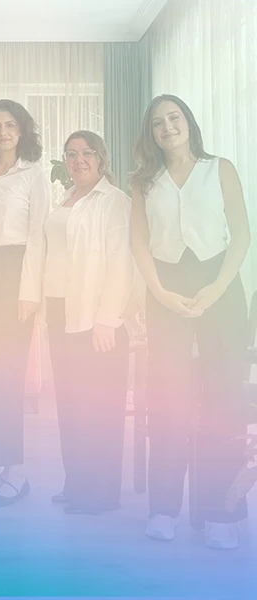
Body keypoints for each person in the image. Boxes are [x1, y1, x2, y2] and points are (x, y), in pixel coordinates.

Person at [130, 94, 251, 549]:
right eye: (157, 122)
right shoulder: (144, 182)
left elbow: (242, 236)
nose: (167, 127)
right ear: (151, 133)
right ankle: (163, 508)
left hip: (220, 286)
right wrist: (159, 292)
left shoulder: (220, 169)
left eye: (173, 118)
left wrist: (216, 289)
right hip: (165, 288)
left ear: (188, 122)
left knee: (225, 399)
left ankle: (223, 512)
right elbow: (139, 243)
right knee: (167, 397)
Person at [44, 131, 134, 515]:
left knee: (100, 410)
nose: (78, 160)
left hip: (97, 320)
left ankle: (101, 494)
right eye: (71, 154)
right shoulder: (64, 198)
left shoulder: (114, 201)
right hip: (60, 313)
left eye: (86, 153)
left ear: (101, 158)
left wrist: (108, 319)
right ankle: (77, 483)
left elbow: (121, 262)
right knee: (71, 405)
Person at [0, 99, 51, 507]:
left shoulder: (34, 175)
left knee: (9, 376)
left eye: (10, 126)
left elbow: (39, 236)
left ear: (21, 131)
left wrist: (29, 292)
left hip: (16, 274)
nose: (2, 132)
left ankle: (17, 473)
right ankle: (3, 467)